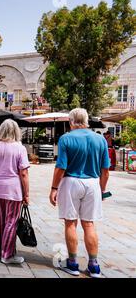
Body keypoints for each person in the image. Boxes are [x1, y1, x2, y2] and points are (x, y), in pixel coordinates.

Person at [50, 108, 110, 278]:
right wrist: (102, 189)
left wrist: (54, 188)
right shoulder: (100, 139)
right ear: (87, 121)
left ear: (70, 122)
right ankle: (94, 265)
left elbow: (61, 167)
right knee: (89, 224)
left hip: (70, 181)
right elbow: (105, 170)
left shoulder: (66, 139)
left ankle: (73, 263)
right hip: (92, 182)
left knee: (70, 223)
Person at [0, 119, 30, 265]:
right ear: (16, 131)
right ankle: (7, 254)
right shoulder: (19, 148)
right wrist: (27, 194)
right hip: (13, 190)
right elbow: (23, 173)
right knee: (11, 221)